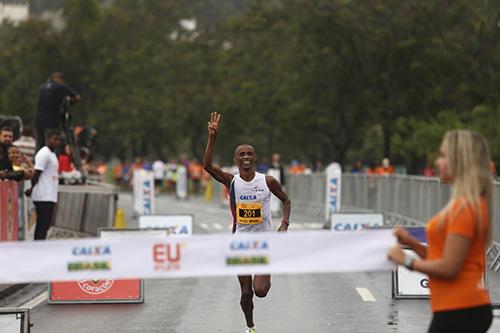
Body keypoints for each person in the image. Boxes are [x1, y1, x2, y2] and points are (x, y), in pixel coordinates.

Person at [388, 129, 493, 333]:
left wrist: (406, 261)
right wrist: (411, 243)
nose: (437, 162)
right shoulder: (461, 205)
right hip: (456, 308)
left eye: (443, 156)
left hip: (461, 309)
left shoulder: (466, 208)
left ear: (460, 160)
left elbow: (449, 268)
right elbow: (443, 258)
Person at [203, 112, 291, 333]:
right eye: (241, 154)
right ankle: (250, 327)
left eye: (249, 154)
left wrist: (284, 224)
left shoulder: (267, 181)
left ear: (255, 158)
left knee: (260, 290)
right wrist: (212, 137)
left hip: (263, 243)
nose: (245, 157)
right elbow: (207, 166)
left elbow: (286, 200)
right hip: (240, 243)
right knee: (246, 292)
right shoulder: (231, 181)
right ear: (236, 160)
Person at [25, 130, 62, 240]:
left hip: (50, 195)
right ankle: (38, 248)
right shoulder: (44, 154)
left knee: (45, 225)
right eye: (55, 139)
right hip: (43, 195)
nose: (57, 142)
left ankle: (40, 245)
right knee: (42, 225)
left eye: (59, 140)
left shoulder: (53, 154)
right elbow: (36, 173)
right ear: (48, 139)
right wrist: (32, 188)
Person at [35, 72, 81, 151]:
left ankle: (37, 161)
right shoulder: (61, 86)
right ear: (61, 80)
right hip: (52, 120)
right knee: (53, 143)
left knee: (40, 144)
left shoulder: (42, 87)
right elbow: (77, 98)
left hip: (38, 120)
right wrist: (69, 102)